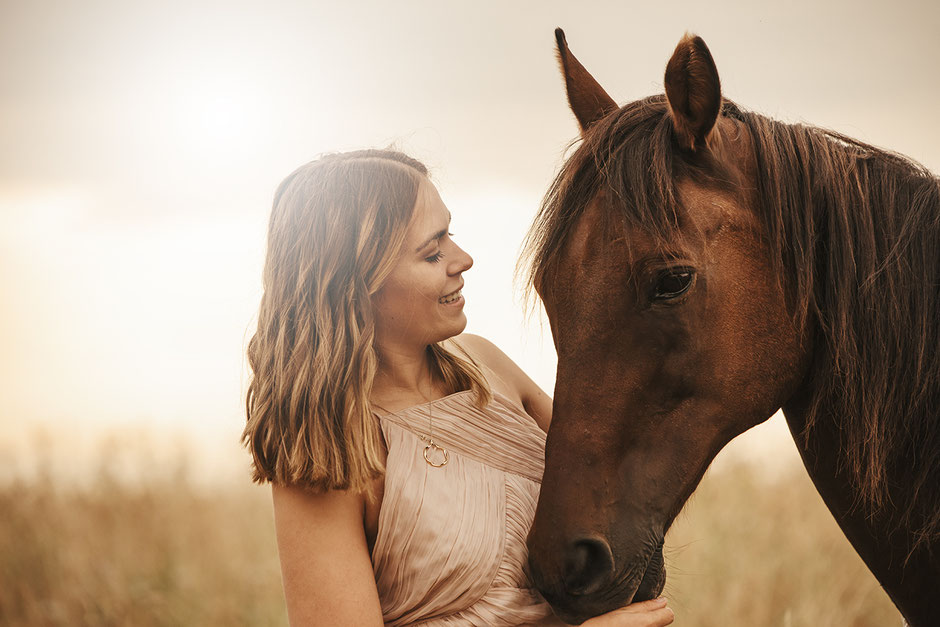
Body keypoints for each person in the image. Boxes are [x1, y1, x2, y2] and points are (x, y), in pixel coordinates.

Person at [242, 149, 675, 627]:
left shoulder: (488, 367)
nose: (463, 260)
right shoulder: (329, 452)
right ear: (355, 282)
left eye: (451, 234)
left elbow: (619, 471)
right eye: (432, 252)